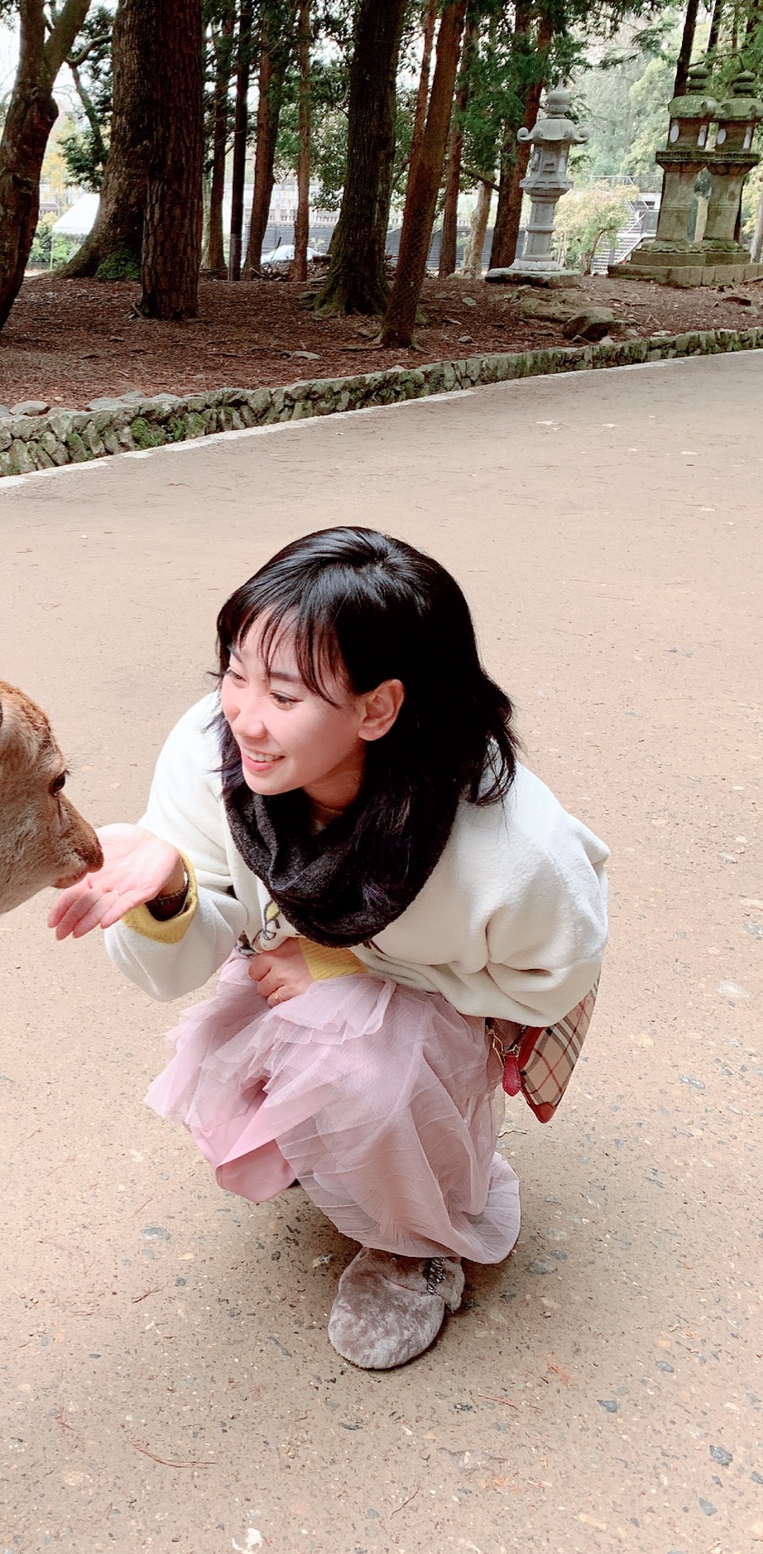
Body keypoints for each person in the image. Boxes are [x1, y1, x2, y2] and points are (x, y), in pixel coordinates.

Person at [49, 527, 607, 1371]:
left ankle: (417, 1247)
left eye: (283, 693)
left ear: (377, 708)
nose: (243, 715)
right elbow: (177, 969)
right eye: (234, 673)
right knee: (280, 1024)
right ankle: (350, 1141)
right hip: (291, 951)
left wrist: (347, 962)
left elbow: (553, 976)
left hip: (467, 987)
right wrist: (169, 895)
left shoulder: (507, 844)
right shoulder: (213, 749)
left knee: (367, 1067)